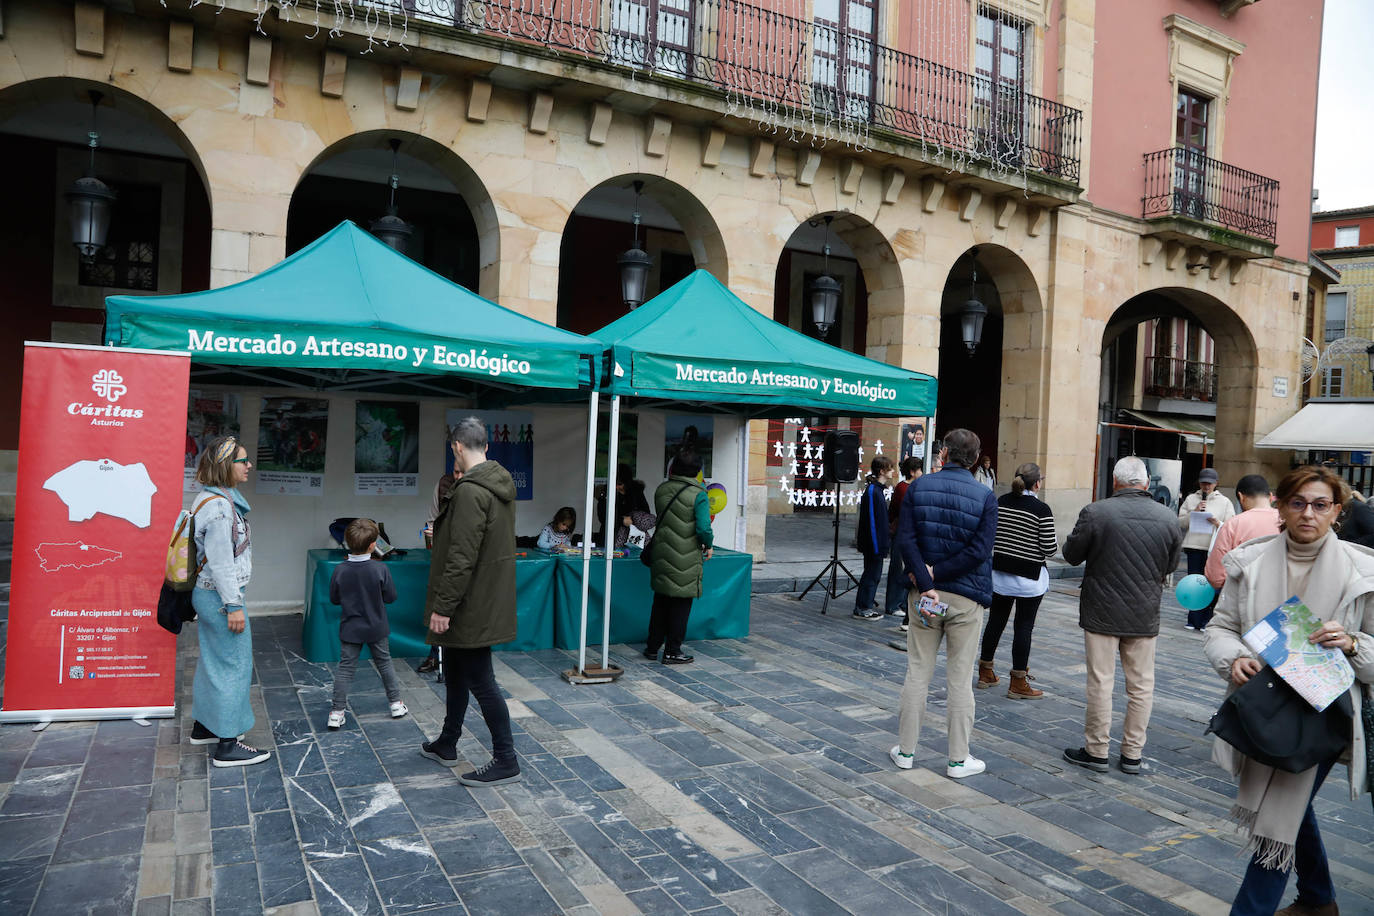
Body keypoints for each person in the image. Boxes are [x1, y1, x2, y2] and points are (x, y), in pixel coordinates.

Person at [1203, 465, 1373, 916]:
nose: (1308, 514)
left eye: (1320, 505)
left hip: (1324, 714)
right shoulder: (1250, 562)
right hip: (1262, 708)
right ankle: (1319, 900)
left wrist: (1354, 643)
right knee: (1293, 809)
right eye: (1297, 502)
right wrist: (1233, 657)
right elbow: (1220, 627)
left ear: (1337, 510)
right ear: (1280, 505)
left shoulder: (1363, 573)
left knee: (1277, 815)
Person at [1061, 456, 1182, 775]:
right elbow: (1171, 566)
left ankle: (1097, 750)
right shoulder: (1167, 517)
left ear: (1116, 482)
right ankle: (1132, 754)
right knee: (1141, 686)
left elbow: (1071, 556)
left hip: (1101, 608)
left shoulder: (1097, 512)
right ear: (1145, 483)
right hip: (1144, 611)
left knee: (1101, 682)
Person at [888, 428, 997, 779]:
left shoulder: (919, 487)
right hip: (965, 598)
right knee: (960, 679)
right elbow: (980, 551)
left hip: (924, 595)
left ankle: (905, 751)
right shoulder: (985, 496)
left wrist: (926, 578)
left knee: (917, 672)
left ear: (944, 454)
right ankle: (957, 759)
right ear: (976, 459)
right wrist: (937, 574)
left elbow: (905, 540)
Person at [420, 418, 521, 787]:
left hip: (468, 603)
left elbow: (461, 557)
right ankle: (448, 742)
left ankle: (506, 759)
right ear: (486, 447)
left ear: (457, 448)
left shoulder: (469, 492)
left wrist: (443, 607)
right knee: (458, 674)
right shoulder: (496, 485)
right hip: (481, 597)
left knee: (481, 680)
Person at [187, 436, 270, 768]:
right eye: (243, 460)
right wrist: (234, 606)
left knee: (213, 662)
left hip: (208, 594)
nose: (249, 465)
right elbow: (221, 562)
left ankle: (205, 726)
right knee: (234, 667)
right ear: (225, 465)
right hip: (220, 597)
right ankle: (228, 743)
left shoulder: (208, 498)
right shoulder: (221, 508)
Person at [977, 462, 1058, 699]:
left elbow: (990, 534)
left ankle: (985, 671)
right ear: (1037, 483)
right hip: (1029, 578)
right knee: (1023, 627)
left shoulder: (1000, 502)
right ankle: (1018, 682)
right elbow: (1050, 548)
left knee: (995, 622)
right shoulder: (1042, 509)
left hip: (1000, 574)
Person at [327, 518, 408, 729]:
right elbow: (391, 597)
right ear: (373, 545)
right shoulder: (380, 570)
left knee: (345, 669)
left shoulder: (340, 570)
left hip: (350, 628)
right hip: (376, 626)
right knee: (384, 663)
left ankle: (336, 713)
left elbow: (334, 599)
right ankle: (396, 704)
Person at [644, 447, 713, 665]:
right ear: (697, 471)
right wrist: (708, 545)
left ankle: (653, 648)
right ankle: (673, 650)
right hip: (686, 557)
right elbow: (703, 528)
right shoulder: (699, 495)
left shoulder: (662, 489)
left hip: (662, 553)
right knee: (680, 605)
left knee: (660, 602)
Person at [1204, 474, 1280, 596]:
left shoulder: (1233, 525)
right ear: (1270, 496)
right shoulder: (1288, 522)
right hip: (1285, 601)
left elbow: (1215, 577)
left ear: (1241, 497)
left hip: (1245, 599)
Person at [1178, 467, 1235, 628]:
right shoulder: (1191, 499)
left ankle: (1206, 620)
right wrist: (1194, 513)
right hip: (1193, 546)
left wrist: (1217, 523)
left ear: (1216, 484)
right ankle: (1193, 619)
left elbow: (1231, 526)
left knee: (1210, 584)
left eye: (1210, 483)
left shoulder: (1224, 502)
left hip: (1213, 548)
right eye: (1203, 483)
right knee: (1194, 583)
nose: (1206, 486)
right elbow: (1180, 522)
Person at [418, 470, 459, 674]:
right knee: (439, 604)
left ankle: (460, 660)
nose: (458, 475)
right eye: (456, 471)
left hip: (465, 559)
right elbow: (433, 519)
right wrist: (432, 533)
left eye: (462, 471)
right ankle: (436, 656)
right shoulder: (443, 484)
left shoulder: (478, 488)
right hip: (444, 557)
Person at [854, 456, 895, 620]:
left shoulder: (877, 490)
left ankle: (865, 605)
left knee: (873, 575)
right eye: (890, 469)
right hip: (873, 545)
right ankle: (863, 607)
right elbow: (872, 522)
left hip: (877, 544)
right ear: (882, 471)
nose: (893, 472)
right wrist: (878, 546)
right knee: (871, 575)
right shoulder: (872, 491)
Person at [884, 457, 923, 618]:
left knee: (905, 569)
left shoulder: (913, 486)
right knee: (897, 568)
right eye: (920, 469)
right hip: (902, 532)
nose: (922, 472)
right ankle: (893, 604)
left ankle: (901, 602)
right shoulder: (903, 488)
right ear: (913, 472)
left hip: (910, 533)